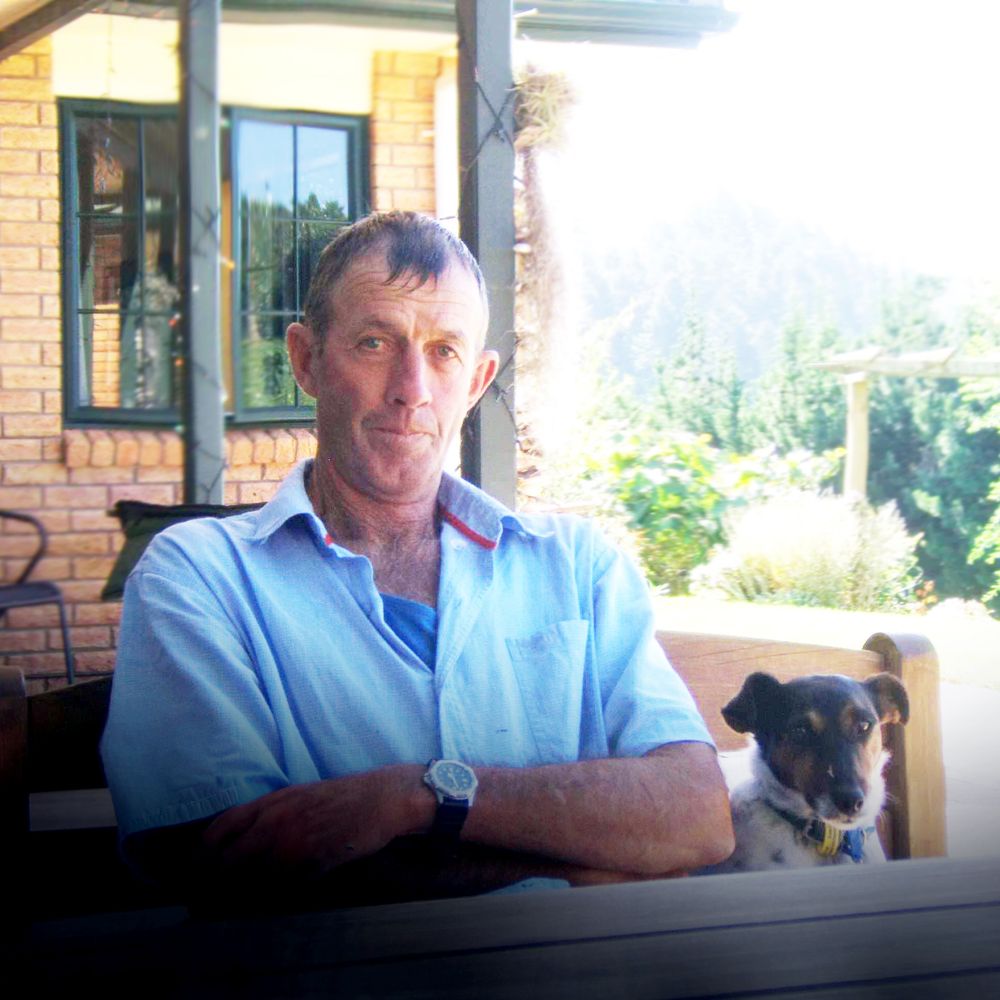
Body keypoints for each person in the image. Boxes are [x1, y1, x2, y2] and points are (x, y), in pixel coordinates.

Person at [101, 211, 733, 909]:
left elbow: (697, 816)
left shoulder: (579, 566)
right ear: (306, 360)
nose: (412, 387)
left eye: (444, 352)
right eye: (374, 343)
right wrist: (592, 856)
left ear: (479, 379)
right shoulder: (200, 576)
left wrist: (414, 796)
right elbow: (237, 868)